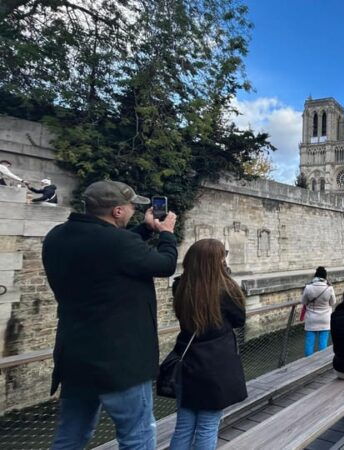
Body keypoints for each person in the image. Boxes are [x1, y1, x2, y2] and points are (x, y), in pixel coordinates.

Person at [43, 180, 178, 449]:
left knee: (72, 435)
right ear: (117, 211)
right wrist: (166, 234)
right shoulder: (118, 242)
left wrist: (144, 229)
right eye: (131, 207)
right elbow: (165, 265)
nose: (133, 211)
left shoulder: (56, 236)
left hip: (75, 356)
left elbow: (110, 251)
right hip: (119, 362)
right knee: (137, 434)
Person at [169, 239, 247, 450]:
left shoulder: (180, 285)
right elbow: (239, 320)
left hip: (187, 359)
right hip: (216, 364)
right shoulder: (226, 289)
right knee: (207, 425)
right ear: (217, 262)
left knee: (184, 426)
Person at [301, 267, 336, 356]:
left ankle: (308, 361)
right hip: (325, 318)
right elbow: (332, 302)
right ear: (325, 276)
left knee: (309, 342)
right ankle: (321, 359)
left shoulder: (308, 287)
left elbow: (304, 302)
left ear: (315, 275)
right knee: (323, 342)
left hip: (311, 318)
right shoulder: (329, 288)